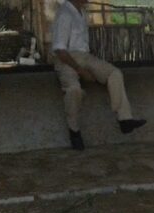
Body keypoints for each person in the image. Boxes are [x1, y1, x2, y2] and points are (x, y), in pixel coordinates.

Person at [51, 0, 147, 150]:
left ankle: (124, 119)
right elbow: (59, 50)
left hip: (85, 56)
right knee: (74, 90)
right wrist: (80, 70)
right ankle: (74, 130)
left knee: (114, 74)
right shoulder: (64, 14)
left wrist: (87, 66)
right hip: (67, 59)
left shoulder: (82, 13)